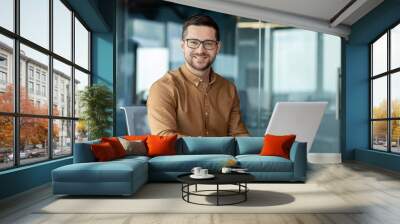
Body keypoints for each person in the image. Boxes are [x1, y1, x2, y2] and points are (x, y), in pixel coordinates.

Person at [147, 14, 249, 137]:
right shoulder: (163, 88)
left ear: (218, 47)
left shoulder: (229, 89)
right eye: (193, 42)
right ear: (183, 46)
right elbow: (164, 138)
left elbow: (239, 135)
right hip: (183, 157)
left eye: (209, 43)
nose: (200, 50)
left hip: (224, 157)